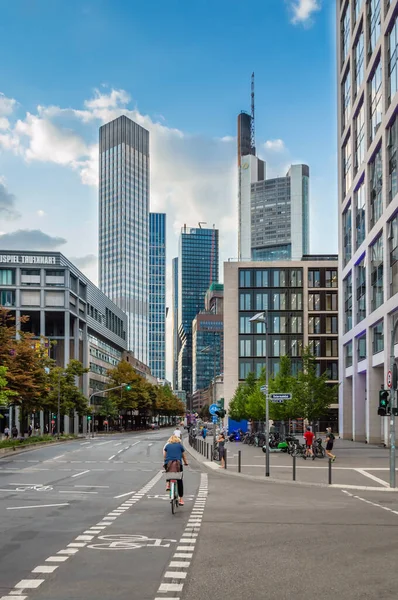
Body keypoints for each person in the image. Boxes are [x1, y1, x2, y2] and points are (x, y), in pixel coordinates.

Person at [163, 434, 188, 505]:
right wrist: (186, 463)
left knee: (168, 472)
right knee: (179, 480)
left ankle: (168, 484)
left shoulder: (167, 446)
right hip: (178, 464)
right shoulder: (180, 446)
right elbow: (183, 456)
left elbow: (164, 456)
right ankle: (181, 499)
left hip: (169, 463)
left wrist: (165, 462)